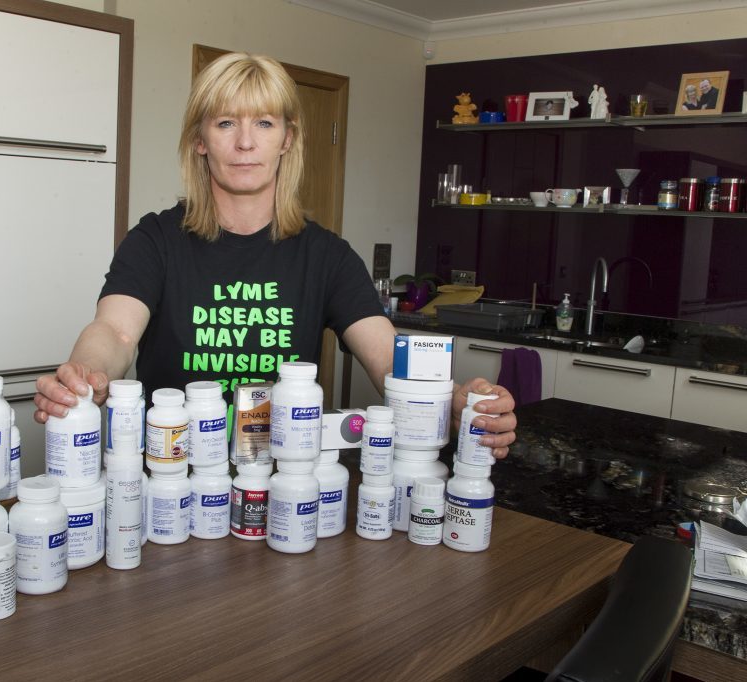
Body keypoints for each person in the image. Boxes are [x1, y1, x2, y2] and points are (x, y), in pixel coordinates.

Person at [33, 52, 517, 458]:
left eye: (263, 123)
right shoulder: (156, 239)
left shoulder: (326, 255)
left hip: (283, 482)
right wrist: (86, 375)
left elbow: (387, 354)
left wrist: (448, 399)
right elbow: (115, 330)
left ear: (287, 138)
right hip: (171, 476)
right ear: (200, 140)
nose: (245, 142)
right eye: (226, 123)